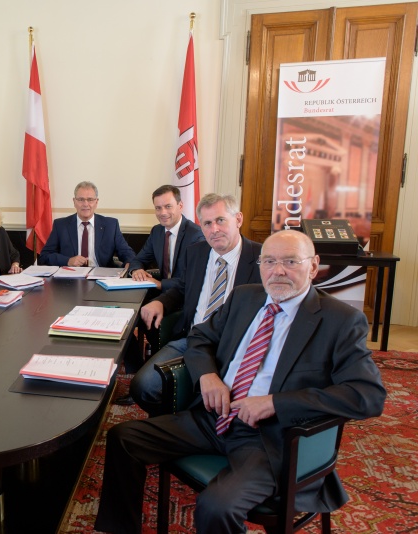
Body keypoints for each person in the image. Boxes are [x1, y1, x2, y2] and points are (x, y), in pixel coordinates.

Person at [94, 230, 387, 534]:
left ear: (313, 266)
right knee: (124, 438)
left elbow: (367, 395)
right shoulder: (245, 297)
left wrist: (274, 403)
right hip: (214, 416)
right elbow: (200, 337)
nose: (278, 271)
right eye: (269, 261)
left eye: (290, 261)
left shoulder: (339, 320)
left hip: (269, 437)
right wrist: (208, 376)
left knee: (217, 506)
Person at [128, 193, 262, 413]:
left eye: (220, 220)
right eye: (207, 223)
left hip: (238, 349)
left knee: (226, 402)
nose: (214, 229)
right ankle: (173, 427)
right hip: (191, 340)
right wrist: (161, 302)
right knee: (142, 387)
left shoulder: (262, 258)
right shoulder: (197, 252)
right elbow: (182, 288)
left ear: (238, 219)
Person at [38, 181, 136, 267]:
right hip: (70, 279)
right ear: (74, 202)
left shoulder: (111, 225)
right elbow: (45, 256)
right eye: (80, 199)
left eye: (90, 200)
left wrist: (130, 264)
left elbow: (126, 252)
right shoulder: (61, 225)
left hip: (101, 278)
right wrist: (68, 261)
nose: (85, 204)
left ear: (96, 202)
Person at [128, 184, 204, 291]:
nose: (163, 213)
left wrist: (160, 284)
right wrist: (137, 270)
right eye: (158, 208)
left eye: (168, 206)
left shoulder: (195, 235)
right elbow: (139, 259)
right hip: (162, 293)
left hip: (185, 295)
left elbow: (193, 277)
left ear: (180, 206)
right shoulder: (157, 231)